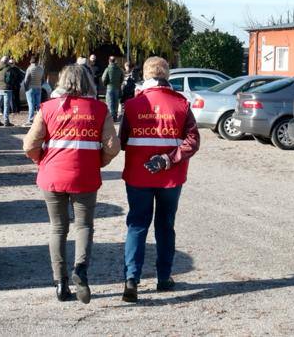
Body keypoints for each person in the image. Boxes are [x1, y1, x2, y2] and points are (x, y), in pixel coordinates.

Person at [23, 64, 119, 303]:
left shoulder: (47, 108)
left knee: (58, 228)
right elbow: (113, 147)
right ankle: (81, 271)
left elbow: (29, 146)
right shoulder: (99, 109)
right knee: (84, 226)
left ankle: (60, 283)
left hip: (52, 176)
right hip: (85, 176)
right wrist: (99, 162)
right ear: (88, 82)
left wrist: (41, 161)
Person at [119, 56, 200, 302]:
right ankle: (164, 278)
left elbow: (123, 141)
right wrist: (170, 157)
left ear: (145, 75)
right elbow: (193, 141)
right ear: (167, 75)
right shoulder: (181, 104)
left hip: (138, 175)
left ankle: (131, 279)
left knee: (137, 225)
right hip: (171, 176)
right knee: (165, 226)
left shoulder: (133, 105)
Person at [23, 56, 45, 127]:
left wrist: (26, 88)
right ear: (37, 61)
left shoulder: (29, 69)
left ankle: (30, 119)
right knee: (38, 105)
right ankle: (41, 119)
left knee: (31, 104)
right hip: (38, 88)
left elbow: (26, 80)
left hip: (30, 88)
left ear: (30, 61)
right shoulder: (41, 69)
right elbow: (43, 80)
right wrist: (39, 85)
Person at [100, 55, 124, 121]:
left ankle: (111, 118)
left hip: (109, 87)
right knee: (116, 102)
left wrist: (105, 84)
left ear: (109, 61)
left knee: (110, 103)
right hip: (117, 88)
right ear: (115, 61)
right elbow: (122, 78)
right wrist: (119, 83)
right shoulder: (119, 69)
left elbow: (103, 79)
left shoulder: (107, 69)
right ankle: (115, 116)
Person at [0, 56, 16, 127]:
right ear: (7, 61)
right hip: (7, 88)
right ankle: (6, 122)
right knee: (6, 106)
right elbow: (10, 78)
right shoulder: (8, 68)